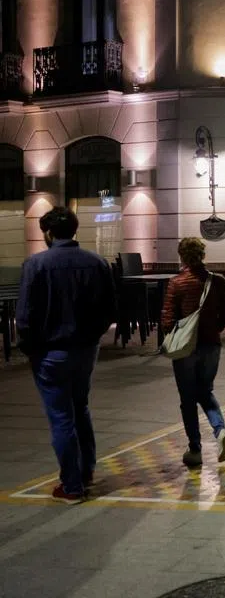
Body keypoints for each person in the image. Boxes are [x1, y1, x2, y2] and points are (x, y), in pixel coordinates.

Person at [17, 207, 117, 503]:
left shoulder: (35, 265)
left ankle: (71, 485)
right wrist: (93, 336)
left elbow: (24, 316)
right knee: (80, 408)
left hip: (50, 353)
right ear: (75, 230)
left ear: (47, 233)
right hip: (85, 350)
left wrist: (30, 346)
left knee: (61, 417)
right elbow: (109, 310)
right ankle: (86, 470)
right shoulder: (97, 263)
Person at [162, 237, 225, 468]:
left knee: (188, 398)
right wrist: (211, 330)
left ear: (182, 256)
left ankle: (195, 449)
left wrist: (179, 334)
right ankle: (220, 430)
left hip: (186, 349)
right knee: (205, 391)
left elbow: (167, 320)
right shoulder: (218, 281)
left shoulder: (177, 283)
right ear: (203, 255)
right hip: (211, 345)